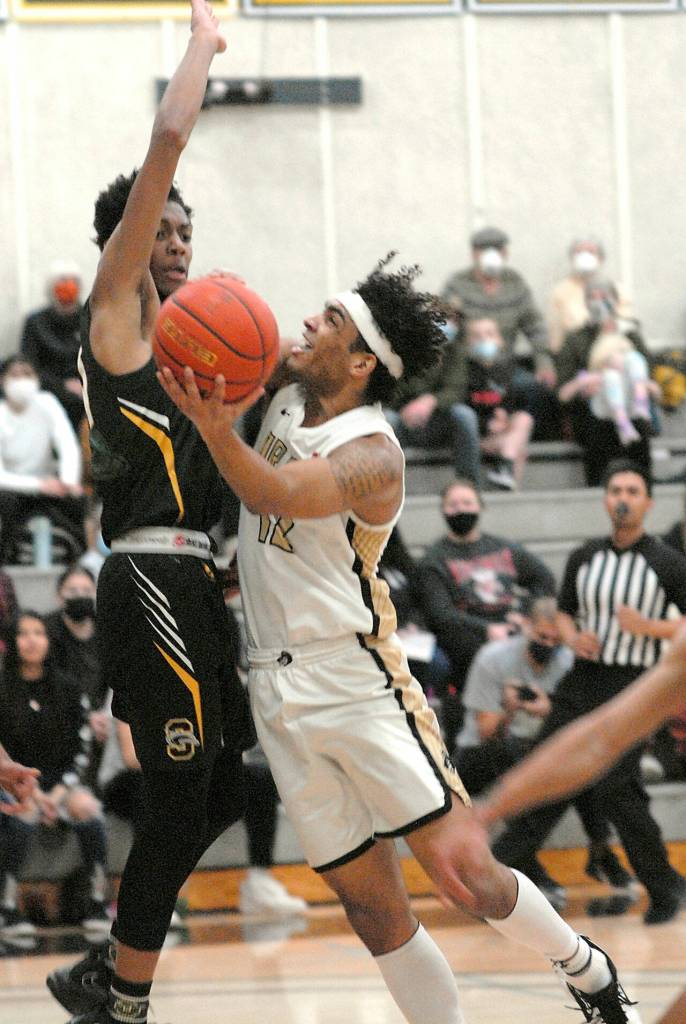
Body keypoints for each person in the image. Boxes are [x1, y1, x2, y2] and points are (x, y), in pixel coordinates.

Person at [158, 257, 640, 1024]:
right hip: (275, 684)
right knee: (372, 911)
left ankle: (586, 969)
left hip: (356, 677)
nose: (310, 322)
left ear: (360, 362)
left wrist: (217, 429)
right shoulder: (290, 387)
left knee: (465, 876)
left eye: (332, 322)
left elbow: (274, 491)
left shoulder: (372, 455)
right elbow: (234, 333)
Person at [45, 6, 253, 1024]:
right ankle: (123, 997)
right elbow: (166, 143)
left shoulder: (193, 355)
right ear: (125, 239)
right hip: (146, 573)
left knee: (221, 792)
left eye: (183, 231)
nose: (174, 241)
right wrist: (204, 44)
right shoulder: (116, 309)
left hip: (194, 578)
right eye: (158, 226)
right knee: (181, 790)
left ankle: (106, 965)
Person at [490, 460, 686, 926]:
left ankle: (662, 888)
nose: (622, 497)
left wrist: (648, 627)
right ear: (605, 499)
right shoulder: (583, 557)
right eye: (615, 489)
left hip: (634, 686)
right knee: (547, 772)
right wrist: (572, 634)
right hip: (583, 680)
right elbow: (563, 612)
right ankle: (495, 877)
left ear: (648, 502)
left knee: (620, 790)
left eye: (632, 491)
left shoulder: (667, 563)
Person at [455, 596, 635, 909]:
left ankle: (597, 848)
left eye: (554, 639)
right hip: (480, 754)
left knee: (581, 767)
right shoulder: (493, 659)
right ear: (526, 628)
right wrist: (510, 707)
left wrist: (548, 710)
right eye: (541, 637)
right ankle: (549, 863)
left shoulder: (568, 662)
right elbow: (485, 731)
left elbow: (579, 727)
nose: (547, 644)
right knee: (529, 761)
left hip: (536, 748)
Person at [416, 476, 556, 750]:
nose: (460, 509)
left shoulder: (502, 547)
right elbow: (440, 613)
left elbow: (545, 579)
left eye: (467, 502)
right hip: (466, 638)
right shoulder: (434, 559)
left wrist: (526, 612)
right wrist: (486, 629)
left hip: (512, 630)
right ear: (443, 511)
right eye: (453, 504)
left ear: (481, 507)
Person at [0, 612, 109, 936]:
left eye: (38, 633)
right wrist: (32, 792)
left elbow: (83, 748)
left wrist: (59, 793)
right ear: (12, 643)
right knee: (26, 811)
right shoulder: (3, 688)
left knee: (88, 809)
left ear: (49, 641)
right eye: (23, 634)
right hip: (15, 782)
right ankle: (7, 907)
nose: (31, 640)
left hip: (63, 781)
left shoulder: (68, 686)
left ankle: (97, 901)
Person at [440, 226, 560, 441]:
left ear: (505, 254)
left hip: (505, 366)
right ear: (474, 254)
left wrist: (543, 361)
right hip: (468, 367)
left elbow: (535, 326)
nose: (490, 254)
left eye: (496, 249)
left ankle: (515, 437)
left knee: (536, 390)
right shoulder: (458, 284)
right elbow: (444, 323)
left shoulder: (515, 283)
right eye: (483, 249)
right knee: (463, 396)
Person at [555, 279, 657, 486]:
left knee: (636, 419)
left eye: (604, 297)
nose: (598, 302)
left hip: (630, 404)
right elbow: (562, 393)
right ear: (585, 303)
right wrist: (585, 385)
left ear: (616, 301)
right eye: (592, 297)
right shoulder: (575, 339)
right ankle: (598, 485)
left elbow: (651, 383)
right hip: (591, 411)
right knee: (600, 420)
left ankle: (641, 484)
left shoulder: (631, 334)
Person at [0, 354, 86, 564]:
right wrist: (38, 485)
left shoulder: (47, 403)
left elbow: (67, 444)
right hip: (12, 489)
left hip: (51, 485)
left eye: (27, 374)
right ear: (3, 380)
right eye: (15, 375)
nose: (21, 380)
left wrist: (68, 481)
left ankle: (76, 562)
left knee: (76, 501)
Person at [46, 566, 110, 787]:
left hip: (106, 716)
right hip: (64, 715)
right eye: (72, 591)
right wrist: (86, 716)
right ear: (59, 596)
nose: (80, 596)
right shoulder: (46, 631)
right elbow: (49, 686)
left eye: (86, 590)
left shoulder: (107, 629)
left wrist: (107, 716)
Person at [462, 317, 534, 490]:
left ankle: (505, 466)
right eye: (477, 336)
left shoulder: (507, 371)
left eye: (489, 334)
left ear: (500, 340)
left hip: (503, 437)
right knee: (519, 449)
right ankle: (506, 472)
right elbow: (459, 412)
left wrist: (504, 419)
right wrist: (488, 424)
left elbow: (512, 408)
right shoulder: (464, 372)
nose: (484, 340)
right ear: (467, 343)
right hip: (476, 439)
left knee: (524, 419)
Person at [20, 259, 85, 431]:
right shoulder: (35, 323)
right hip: (49, 395)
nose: (69, 287)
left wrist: (84, 384)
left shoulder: (89, 319)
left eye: (73, 282)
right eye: (62, 282)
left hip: (87, 394)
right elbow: (29, 367)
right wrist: (62, 385)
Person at [547, 237, 633, 356]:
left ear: (601, 259)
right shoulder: (560, 291)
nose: (585, 256)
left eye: (591, 252)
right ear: (572, 259)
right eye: (579, 252)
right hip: (575, 354)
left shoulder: (618, 289)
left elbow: (626, 322)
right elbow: (555, 333)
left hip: (614, 353)